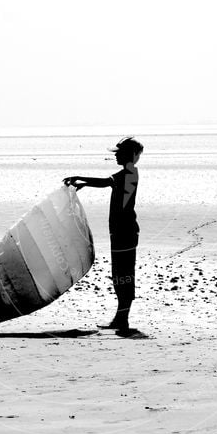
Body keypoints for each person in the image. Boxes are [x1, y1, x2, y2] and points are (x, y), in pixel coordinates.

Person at [63, 136, 144, 332]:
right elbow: (108, 183)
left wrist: (80, 179)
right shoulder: (127, 173)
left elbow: (106, 182)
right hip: (119, 232)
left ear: (132, 155)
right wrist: (82, 182)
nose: (116, 156)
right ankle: (120, 317)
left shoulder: (130, 173)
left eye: (120, 154)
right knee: (119, 274)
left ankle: (122, 319)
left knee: (124, 274)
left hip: (125, 232)